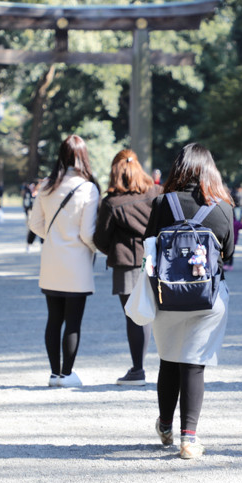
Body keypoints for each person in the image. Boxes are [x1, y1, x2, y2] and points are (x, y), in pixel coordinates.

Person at [143, 143, 235, 459]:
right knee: (194, 364)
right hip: (207, 297)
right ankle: (189, 438)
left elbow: (149, 246)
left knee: (169, 359)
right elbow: (229, 254)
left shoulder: (161, 204)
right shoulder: (223, 208)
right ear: (210, 171)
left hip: (166, 294)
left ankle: (166, 426)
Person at [28, 135, 101, 388]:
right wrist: (96, 249)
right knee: (73, 321)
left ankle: (54, 373)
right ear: (83, 156)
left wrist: (54, 237)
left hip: (51, 260)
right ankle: (67, 374)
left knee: (53, 318)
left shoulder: (47, 185)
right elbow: (87, 233)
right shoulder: (88, 188)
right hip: (77, 262)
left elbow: (35, 223)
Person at [93, 149, 161, 386]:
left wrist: (114, 246)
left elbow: (100, 239)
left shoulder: (111, 203)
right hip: (158, 259)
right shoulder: (157, 193)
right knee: (160, 315)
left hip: (127, 263)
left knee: (134, 316)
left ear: (114, 171)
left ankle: (138, 369)